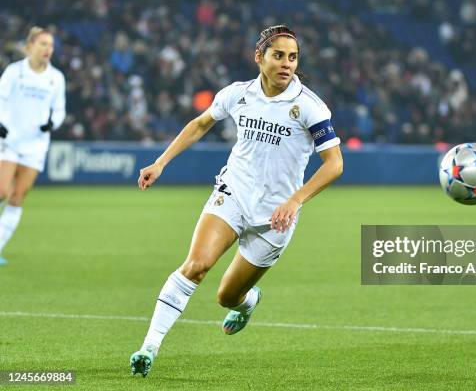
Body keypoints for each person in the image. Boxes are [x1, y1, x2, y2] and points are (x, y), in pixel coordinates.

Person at [130, 25, 343, 377]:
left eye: (293, 57)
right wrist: (160, 162)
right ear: (259, 57)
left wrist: (295, 200)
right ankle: (149, 347)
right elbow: (200, 124)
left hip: (275, 218)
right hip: (233, 194)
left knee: (227, 297)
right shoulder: (236, 94)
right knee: (196, 266)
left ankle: (248, 303)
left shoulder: (309, 106)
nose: (286, 64)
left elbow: (334, 164)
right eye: (278, 56)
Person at [0, 27, 66, 265]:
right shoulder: (14, 72)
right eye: (43, 44)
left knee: (17, 197)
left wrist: (52, 123)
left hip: (36, 146)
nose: (48, 49)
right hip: (9, 140)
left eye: (51, 45)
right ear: (29, 47)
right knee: (1, 191)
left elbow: (59, 110)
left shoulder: (55, 77)